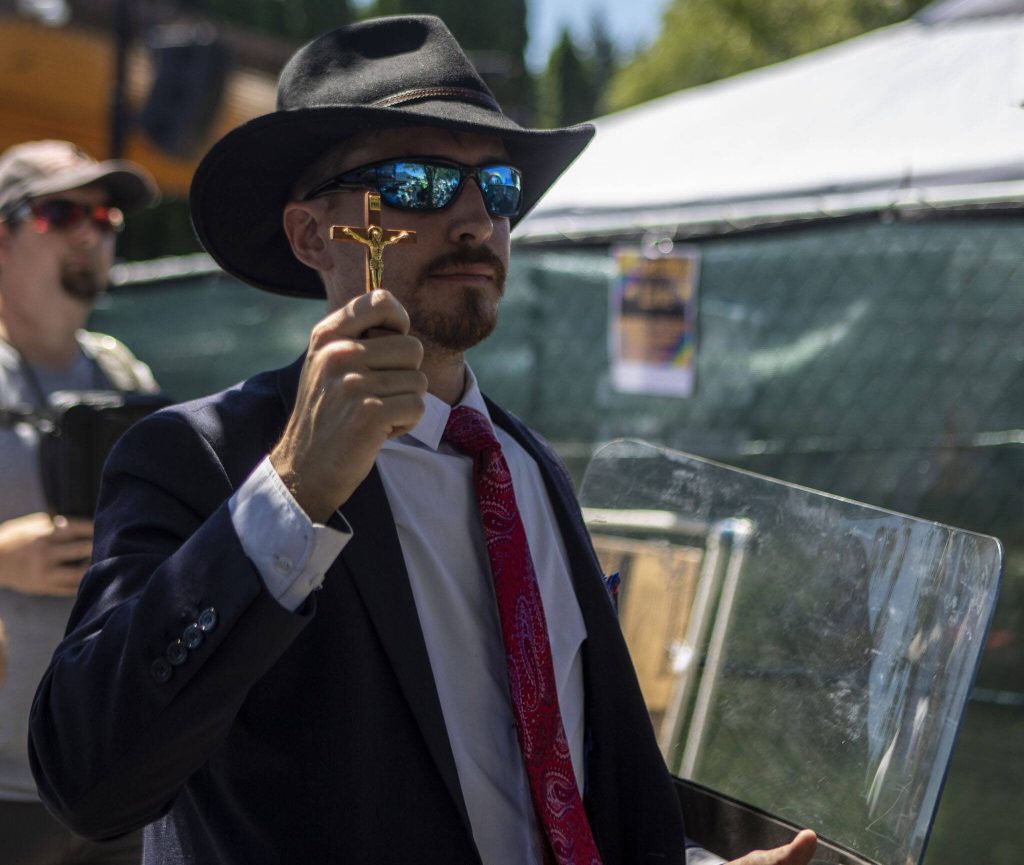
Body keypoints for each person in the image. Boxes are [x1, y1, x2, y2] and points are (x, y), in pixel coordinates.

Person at [28, 17, 816, 865]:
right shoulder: (200, 458)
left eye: (499, 185)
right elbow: (89, 779)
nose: (477, 216)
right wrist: (292, 493)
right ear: (312, 235)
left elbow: (559, 777)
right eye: (420, 181)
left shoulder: (525, 466)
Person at [0, 140, 158, 863]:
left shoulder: (124, 370)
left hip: (111, 773)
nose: (90, 232)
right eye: (60, 212)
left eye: (104, 212)